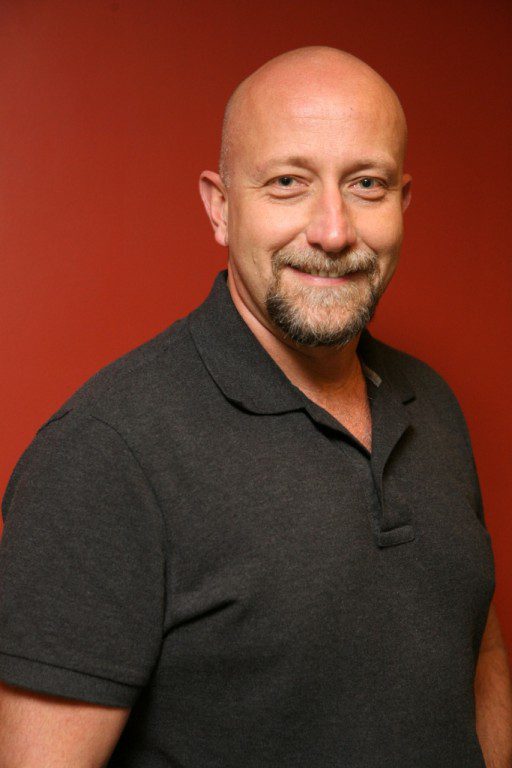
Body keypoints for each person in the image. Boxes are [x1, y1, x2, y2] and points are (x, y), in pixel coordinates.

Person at [0, 46, 510, 768]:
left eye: (366, 184)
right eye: (287, 183)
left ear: (402, 203)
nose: (332, 230)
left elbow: (477, 649)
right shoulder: (104, 453)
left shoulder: (432, 403)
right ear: (220, 207)